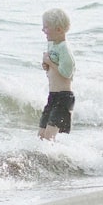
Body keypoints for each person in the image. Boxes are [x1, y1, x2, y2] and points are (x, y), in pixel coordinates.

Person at [39, 8, 76, 141]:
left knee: (50, 137)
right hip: (52, 96)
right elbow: (53, 68)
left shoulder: (64, 48)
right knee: (41, 136)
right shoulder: (52, 45)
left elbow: (67, 72)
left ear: (59, 30)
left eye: (46, 27)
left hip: (64, 97)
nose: (43, 30)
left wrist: (50, 62)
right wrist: (46, 65)